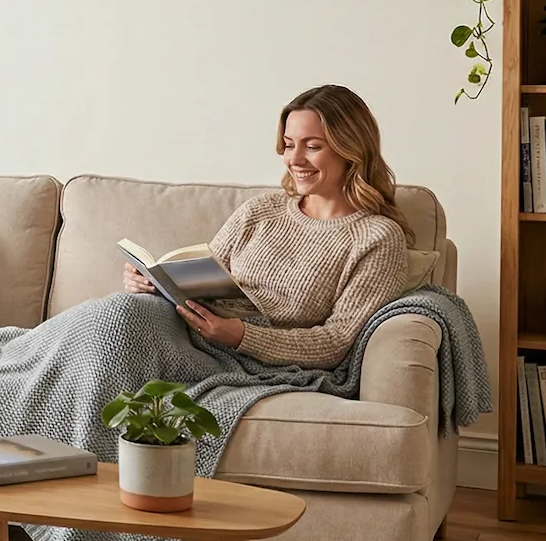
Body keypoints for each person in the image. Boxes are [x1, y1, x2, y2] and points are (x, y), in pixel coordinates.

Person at [121, 83, 410, 369]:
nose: (294, 160)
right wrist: (151, 284)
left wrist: (242, 337)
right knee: (117, 314)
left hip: (246, 359)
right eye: (288, 145)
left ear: (351, 150)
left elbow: (337, 341)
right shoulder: (261, 210)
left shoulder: (377, 238)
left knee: (116, 328)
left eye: (312, 146)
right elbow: (202, 282)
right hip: (190, 334)